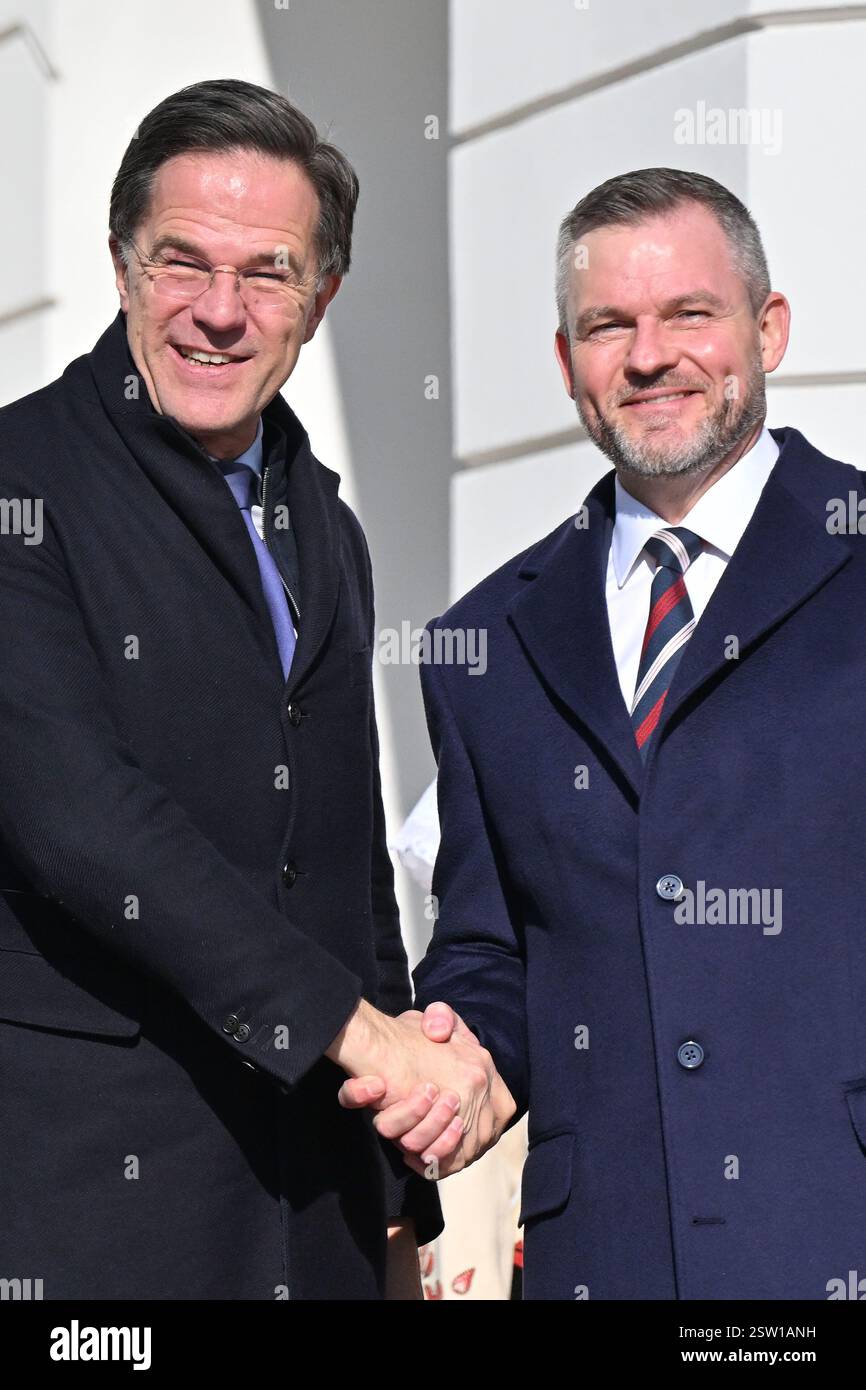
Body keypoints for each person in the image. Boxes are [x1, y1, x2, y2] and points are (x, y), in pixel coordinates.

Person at [0, 77, 511, 1300]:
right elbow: (80, 818)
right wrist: (363, 1035)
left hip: (316, 1206)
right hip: (98, 1212)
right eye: (182, 262)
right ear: (122, 264)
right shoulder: (21, 484)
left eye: (267, 272)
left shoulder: (322, 518)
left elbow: (344, 862)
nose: (217, 312)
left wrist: (400, 1189)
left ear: (320, 298)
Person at [347, 167, 866, 1300]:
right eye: (606, 326)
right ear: (564, 360)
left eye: (688, 313)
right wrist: (462, 1068)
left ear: (766, 329)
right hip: (607, 1258)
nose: (647, 355)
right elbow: (489, 947)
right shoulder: (482, 642)